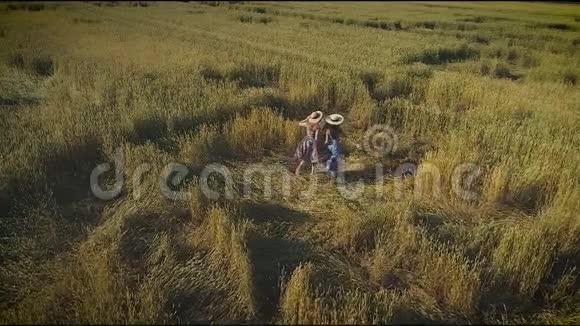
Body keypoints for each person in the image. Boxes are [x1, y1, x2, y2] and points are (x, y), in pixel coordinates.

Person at [294, 111, 324, 175]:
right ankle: (310, 173)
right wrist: (317, 144)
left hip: (306, 141)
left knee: (305, 157)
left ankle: (298, 171)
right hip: (312, 143)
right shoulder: (317, 126)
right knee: (313, 158)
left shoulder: (307, 123)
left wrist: (306, 119)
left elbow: (299, 123)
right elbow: (316, 137)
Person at [323, 113, 344, 178]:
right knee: (335, 158)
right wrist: (340, 140)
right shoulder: (338, 129)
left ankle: (328, 170)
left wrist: (325, 145)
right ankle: (333, 173)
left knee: (330, 157)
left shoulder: (328, 130)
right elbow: (343, 135)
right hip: (335, 144)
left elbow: (326, 140)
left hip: (329, 144)